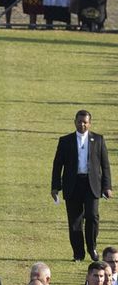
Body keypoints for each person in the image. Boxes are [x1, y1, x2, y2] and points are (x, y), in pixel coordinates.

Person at [52, 110, 111, 262]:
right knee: (75, 221)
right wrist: (55, 187)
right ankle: (78, 253)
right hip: (73, 184)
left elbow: (105, 165)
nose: (82, 124)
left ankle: (92, 248)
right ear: (75, 122)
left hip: (92, 184)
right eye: (79, 121)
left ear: (89, 123)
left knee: (92, 216)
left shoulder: (98, 139)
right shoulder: (65, 141)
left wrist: (107, 186)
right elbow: (58, 165)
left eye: (85, 122)